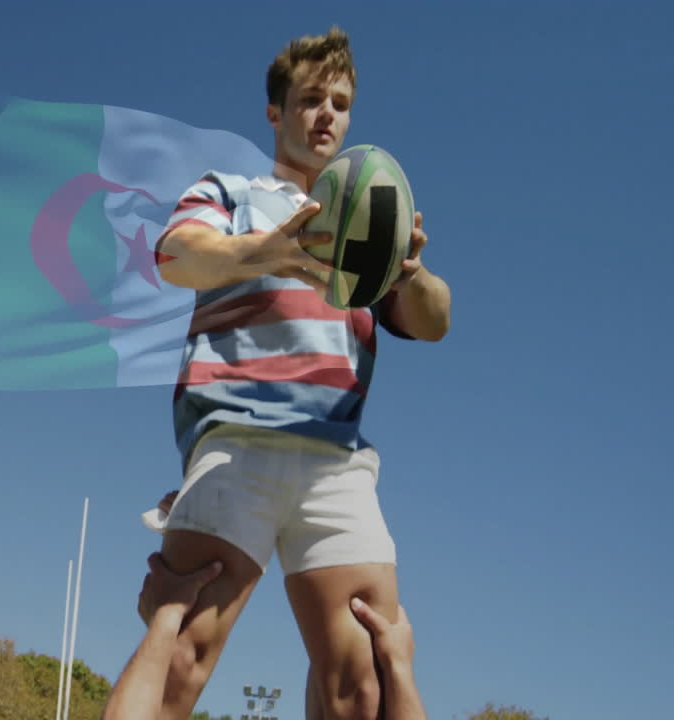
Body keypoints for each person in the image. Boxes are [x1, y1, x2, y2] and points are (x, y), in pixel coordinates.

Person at [141, 26, 451, 720]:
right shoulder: (230, 193)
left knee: (364, 680)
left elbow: (434, 321)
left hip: (337, 461)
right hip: (236, 442)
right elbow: (177, 256)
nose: (326, 115)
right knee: (181, 656)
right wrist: (262, 254)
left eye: (339, 102)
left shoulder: (374, 225)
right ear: (275, 113)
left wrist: (413, 270)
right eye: (310, 99)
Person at [103, 548, 428, 720]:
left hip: (235, 446)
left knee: (182, 654)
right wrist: (399, 667)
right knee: (363, 695)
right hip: (331, 451)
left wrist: (166, 617)